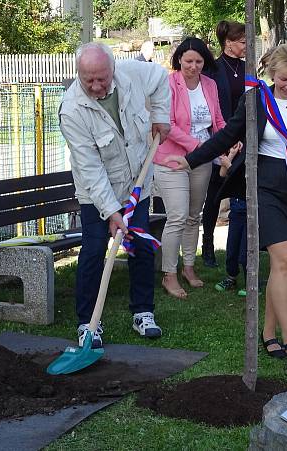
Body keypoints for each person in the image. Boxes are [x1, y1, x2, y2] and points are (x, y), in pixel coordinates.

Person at [166, 43, 287, 360]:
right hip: (263, 187)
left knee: (283, 264)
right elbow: (226, 135)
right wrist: (191, 160)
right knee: (284, 256)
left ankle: (268, 333)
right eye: (283, 79)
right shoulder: (257, 100)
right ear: (272, 74)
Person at [59, 43, 171, 347]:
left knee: (140, 246)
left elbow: (162, 78)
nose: (96, 86)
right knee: (94, 251)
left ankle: (143, 312)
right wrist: (111, 212)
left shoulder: (132, 74)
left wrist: (161, 116)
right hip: (95, 193)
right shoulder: (72, 109)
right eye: (88, 80)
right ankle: (88, 323)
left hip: (136, 182)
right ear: (78, 74)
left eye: (102, 79)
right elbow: (90, 168)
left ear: (112, 69)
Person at [154, 37, 226, 299]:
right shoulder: (168, 83)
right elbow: (168, 124)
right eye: (188, 61)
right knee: (177, 215)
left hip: (202, 160)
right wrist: (198, 146)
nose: (194, 66)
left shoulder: (210, 84)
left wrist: (227, 141)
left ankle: (189, 267)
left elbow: (217, 120)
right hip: (172, 159)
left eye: (198, 61)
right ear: (179, 60)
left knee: (194, 215)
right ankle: (169, 275)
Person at [201, 20, 246, 268]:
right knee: (215, 195)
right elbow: (211, 108)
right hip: (223, 139)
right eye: (241, 41)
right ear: (228, 43)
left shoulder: (247, 67)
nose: (246, 45)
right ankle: (207, 243)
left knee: (241, 194)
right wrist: (226, 140)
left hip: (244, 140)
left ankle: (239, 249)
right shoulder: (214, 71)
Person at [213, 143, 247, 296]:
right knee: (232, 247)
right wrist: (231, 156)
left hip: (250, 209)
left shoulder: (253, 154)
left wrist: (230, 164)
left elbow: (245, 178)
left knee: (246, 250)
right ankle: (231, 277)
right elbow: (222, 173)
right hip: (236, 209)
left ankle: (251, 282)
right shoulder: (236, 151)